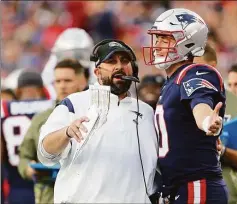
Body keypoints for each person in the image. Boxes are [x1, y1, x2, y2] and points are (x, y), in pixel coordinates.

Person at [37, 39, 158, 203]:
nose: (119, 66)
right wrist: (66, 132)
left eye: (124, 60)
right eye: (111, 61)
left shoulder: (147, 112)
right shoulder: (74, 103)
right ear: (97, 72)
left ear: (133, 68)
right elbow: (45, 153)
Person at [143, 8, 227, 203]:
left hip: (197, 185)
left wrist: (207, 121)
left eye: (165, 39)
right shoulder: (171, 83)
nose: (157, 46)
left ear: (188, 42)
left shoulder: (196, 72)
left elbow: (200, 102)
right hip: (180, 187)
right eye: (157, 39)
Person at [194, 44, 237, 203]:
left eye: (196, 67)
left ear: (212, 67)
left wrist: (224, 151)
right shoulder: (176, 102)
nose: (190, 74)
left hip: (227, 197)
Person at [18, 59, 86, 204]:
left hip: (84, 195)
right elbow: (24, 155)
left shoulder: (94, 115)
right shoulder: (41, 118)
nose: (62, 86)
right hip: (49, 195)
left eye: (67, 80)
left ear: (83, 81)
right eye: (58, 81)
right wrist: (28, 169)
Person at [1, 72, 51, 204]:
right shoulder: (53, 106)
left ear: (17, 90)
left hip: (17, 187)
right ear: (42, 89)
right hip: (49, 186)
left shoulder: (5, 109)